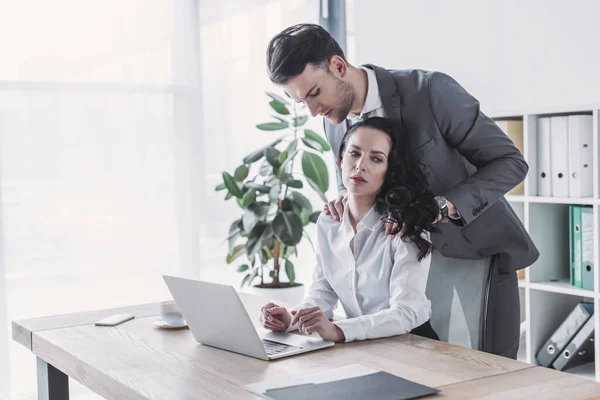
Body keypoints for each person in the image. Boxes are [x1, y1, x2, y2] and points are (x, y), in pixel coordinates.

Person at [265, 23, 539, 358]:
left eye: (314, 94)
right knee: (419, 369)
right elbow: (363, 185)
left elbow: (510, 162)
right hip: (405, 271)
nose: (313, 111)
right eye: (300, 102)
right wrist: (343, 200)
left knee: (494, 373)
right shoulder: (332, 122)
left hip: (476, 251)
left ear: (338, 66)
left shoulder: (430, 90)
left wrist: (444, 205)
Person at [260, 117, 439, 343]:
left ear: (389, 170)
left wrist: (339, 330)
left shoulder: (404, 227)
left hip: (413, 344)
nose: (360, 165)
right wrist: (292, 319)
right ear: (340, 160)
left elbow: (406, 313)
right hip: (362, 344)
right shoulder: (328, 222)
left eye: (376, 158)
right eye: (354, 153)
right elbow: (322, 293)